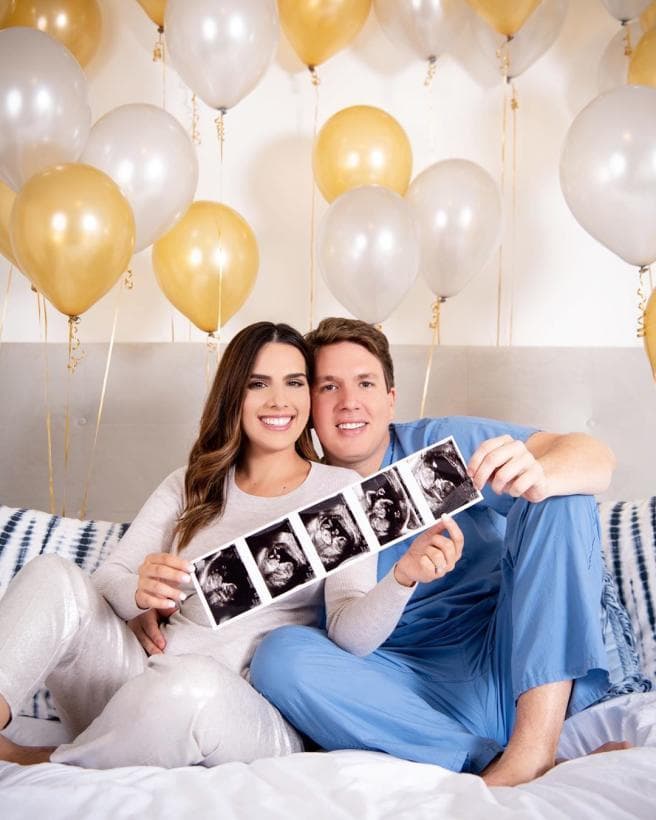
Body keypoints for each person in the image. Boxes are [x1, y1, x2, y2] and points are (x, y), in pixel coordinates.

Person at [246, 317, 620, 787]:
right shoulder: (294, 491)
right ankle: (486, 760)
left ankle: (533, 752)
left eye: (365, 383)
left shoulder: (440, 446)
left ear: (390, 397)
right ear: (309, 404)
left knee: (558, 492)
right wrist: (151, 606)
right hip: (397, 688)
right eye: (329, 387)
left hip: (506, 662)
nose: (349, 402)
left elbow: (593, 456)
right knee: (279, 656)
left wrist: (537, 472)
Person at [0, 321, 389, 769]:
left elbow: (350, 633)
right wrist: (139, 595)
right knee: (54, 574)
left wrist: (402, 580)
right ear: (233, 395)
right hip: (137, 683)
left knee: (190, 684)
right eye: (257, 384)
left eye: (295, 383)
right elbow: (110, 577)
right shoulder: (192, 483)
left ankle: (50, 762)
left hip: (235, 710)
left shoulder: (341, 490)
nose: (279, 400)